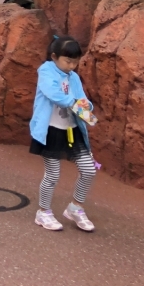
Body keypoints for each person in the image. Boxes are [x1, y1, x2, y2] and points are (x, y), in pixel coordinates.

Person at [30, 36, 98, 232]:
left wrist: (87, 106)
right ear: (54, 57)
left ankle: (75, 208)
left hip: (72, 130)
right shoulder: (46, 71)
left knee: (89, 170)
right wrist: (74, 103)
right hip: (50, 130)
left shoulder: (74, 77)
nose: (72, 66)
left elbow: (82, 99)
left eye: (76, 62)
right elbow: (54, 94)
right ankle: (43, 212)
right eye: (68, 61)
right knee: (52, 174)